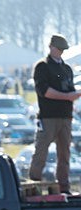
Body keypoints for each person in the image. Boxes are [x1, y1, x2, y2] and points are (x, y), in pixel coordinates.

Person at [28, 34, 81, 194]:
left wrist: (76, 94)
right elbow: (44, 91)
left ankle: (64, 186)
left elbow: (70, 90)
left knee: (64, 154)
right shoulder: (42, 66)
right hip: (48, 117)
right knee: (41, 152)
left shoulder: (66, 69)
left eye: (63, 50)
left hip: (66, 117)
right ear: (51, 47)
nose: (61, 53)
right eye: (59, 49)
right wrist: (67, 97)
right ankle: (34, 185)